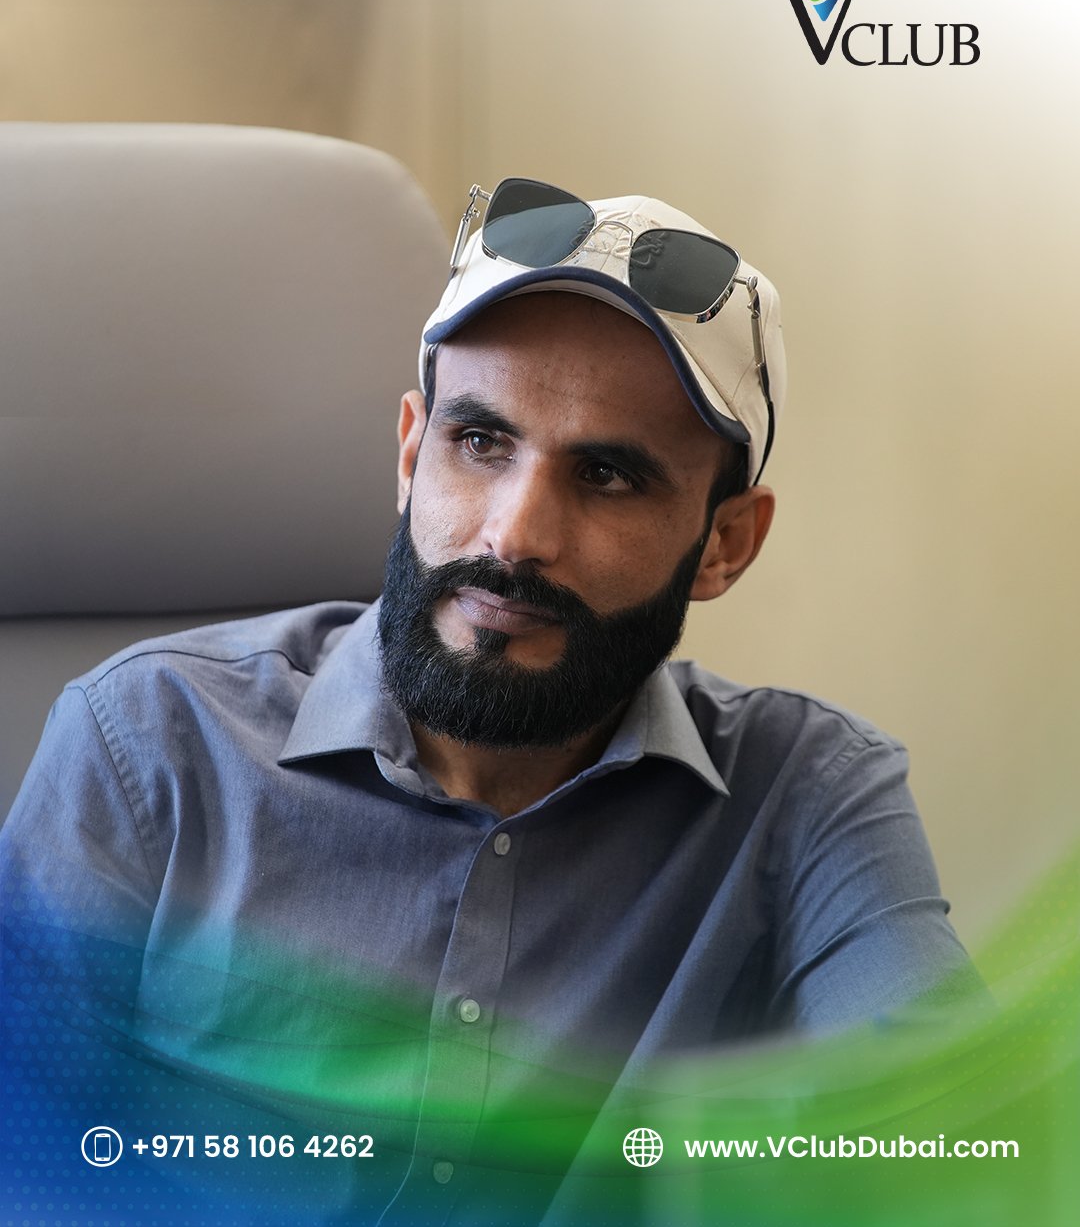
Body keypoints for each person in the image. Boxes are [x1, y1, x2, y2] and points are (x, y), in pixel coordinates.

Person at [0, 178, 981, 1224]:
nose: (514, 536)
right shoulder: (148, 739)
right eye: (480, 442)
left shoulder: (807, 793)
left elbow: (956, 1146)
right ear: (410, 452)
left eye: (607, 476)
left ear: (724, 544)